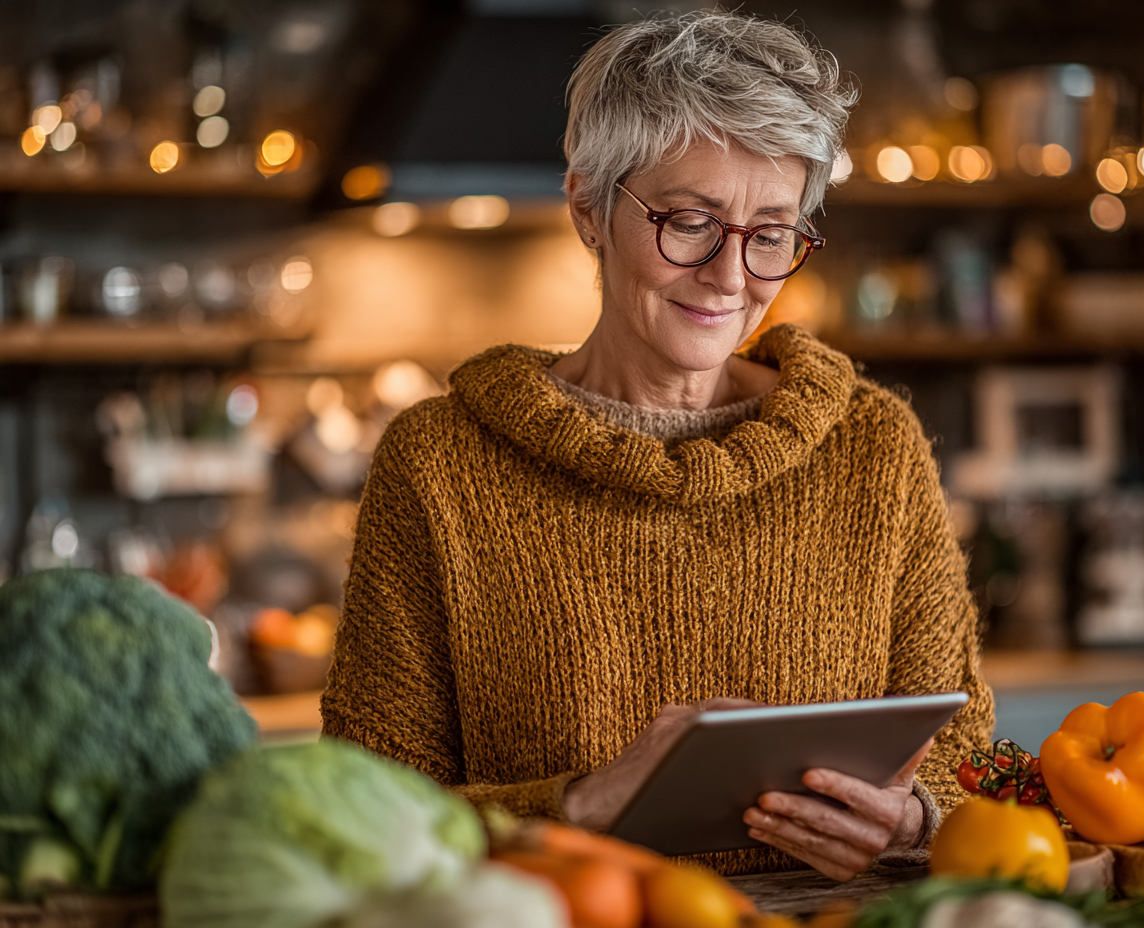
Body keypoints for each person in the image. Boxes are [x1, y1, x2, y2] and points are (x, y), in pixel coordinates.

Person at [322, 10, 994, 878]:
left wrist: (911, 823)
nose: (729, 276)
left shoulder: (874, 448)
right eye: (689, 221)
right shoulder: (439, 464)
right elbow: (361, 817)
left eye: (772, 234)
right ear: (588, 209)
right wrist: (586, 803)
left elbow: (966, 758)